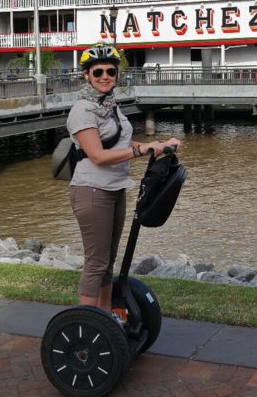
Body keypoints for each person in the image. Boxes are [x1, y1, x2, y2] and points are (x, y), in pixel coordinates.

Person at [67, 43, 181, 317]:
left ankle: (107, 318)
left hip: (115, 189)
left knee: (108, 262)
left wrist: (157, 144)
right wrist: (140, 150)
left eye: (110, 71)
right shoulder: (83, 110)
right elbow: (97, 155)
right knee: (96, 263)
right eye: (98, 72)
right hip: (91, 191)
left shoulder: (109, 106)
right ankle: (85, 322)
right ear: (87, 75)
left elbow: (122, 142)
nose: (105, 76)